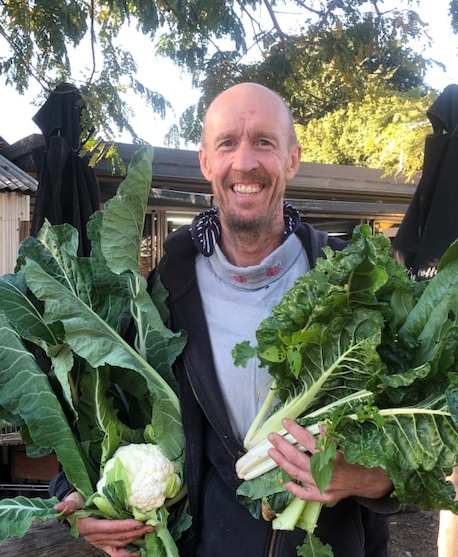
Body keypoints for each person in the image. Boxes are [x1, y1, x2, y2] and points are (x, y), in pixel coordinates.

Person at [51, 82, 399, 556]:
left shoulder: (357, 281)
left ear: (292, 159)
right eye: (228, 144)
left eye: (263, 142)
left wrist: (370, 478)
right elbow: (106, 404)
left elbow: (423, 451)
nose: (245, 162)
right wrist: (86, 501)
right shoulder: (160, 293)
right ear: (206, 161)